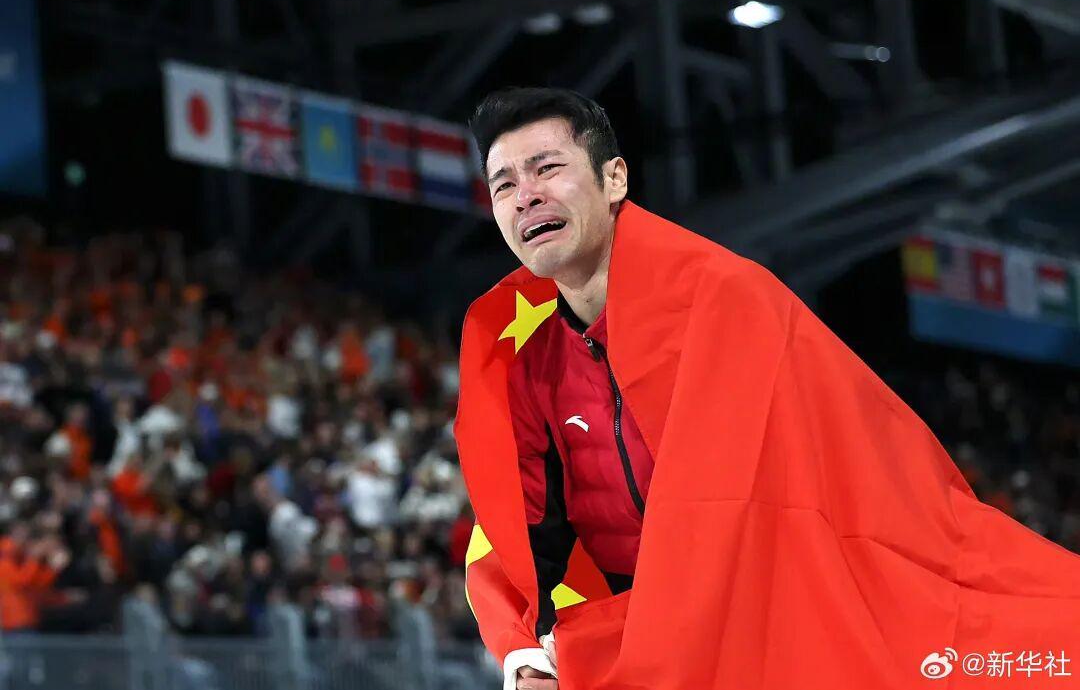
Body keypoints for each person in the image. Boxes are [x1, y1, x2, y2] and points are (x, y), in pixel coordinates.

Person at [453, 87, 1080, 690]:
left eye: (547, 168)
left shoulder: (728, 301)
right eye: (504, 184)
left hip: (787, 613)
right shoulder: (528, 368)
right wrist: (521, 649)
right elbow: (514, 536)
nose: (526, 196)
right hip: (656, 642)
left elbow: (805, 503)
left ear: (615, 178)